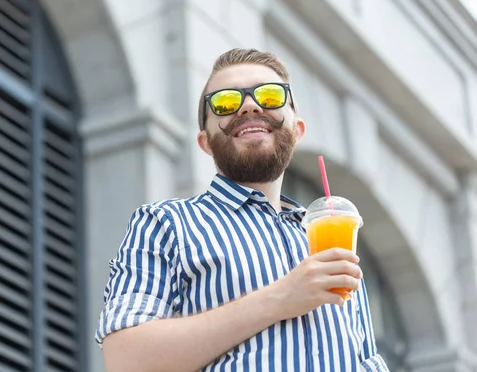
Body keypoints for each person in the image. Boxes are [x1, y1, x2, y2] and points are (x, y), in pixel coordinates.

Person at [95, 48, 389, 372]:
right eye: (225, 102)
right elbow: (125, 360)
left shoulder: (333, 240)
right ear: (205, 141)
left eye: (270, 95)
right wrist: (280, 297)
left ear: (297, 130)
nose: (249, 104)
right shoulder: (165, 224)